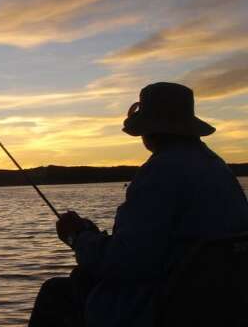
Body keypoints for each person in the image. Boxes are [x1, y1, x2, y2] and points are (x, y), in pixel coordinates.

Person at [28, 82, 248, 327]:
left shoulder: (159, 173)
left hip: (160, 308)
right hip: (216, 306)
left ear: (149, 131)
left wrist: (78, 237)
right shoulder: (218, 168)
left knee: (55, 293)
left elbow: (123, 263)